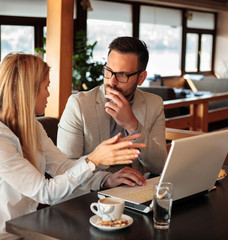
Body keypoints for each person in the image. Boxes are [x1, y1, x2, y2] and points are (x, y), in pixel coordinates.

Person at [0, 52, 146, 239]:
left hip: (25, 229)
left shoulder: (32, 126)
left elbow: (63, 167)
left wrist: (106, 179)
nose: (49, 93)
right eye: (46, 87)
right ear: (29, 91)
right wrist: (93, 160)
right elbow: (44, 192)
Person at [57, 36, 167, 196]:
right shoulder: (79, 105)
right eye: (108, 71)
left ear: (141, 78)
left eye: (122, 75)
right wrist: (106, 179)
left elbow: (159, 166)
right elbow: (64, 169)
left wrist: (133, 126)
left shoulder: (154, 104)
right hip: (87, 196)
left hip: (133, 194)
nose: (112, 82)